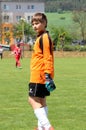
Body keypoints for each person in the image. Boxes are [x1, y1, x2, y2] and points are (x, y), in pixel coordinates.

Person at [28, 13, 56, 130]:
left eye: (37, 23)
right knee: (42, 100)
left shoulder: (44, 37)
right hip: (41, 73)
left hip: (39, 74)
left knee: (32, 99)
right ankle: (41, 128)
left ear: (44, 23)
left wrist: (47, 75)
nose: (35, 26)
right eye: (33, 24)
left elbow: (47, 57)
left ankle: (47, 126)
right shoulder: (41, 37)